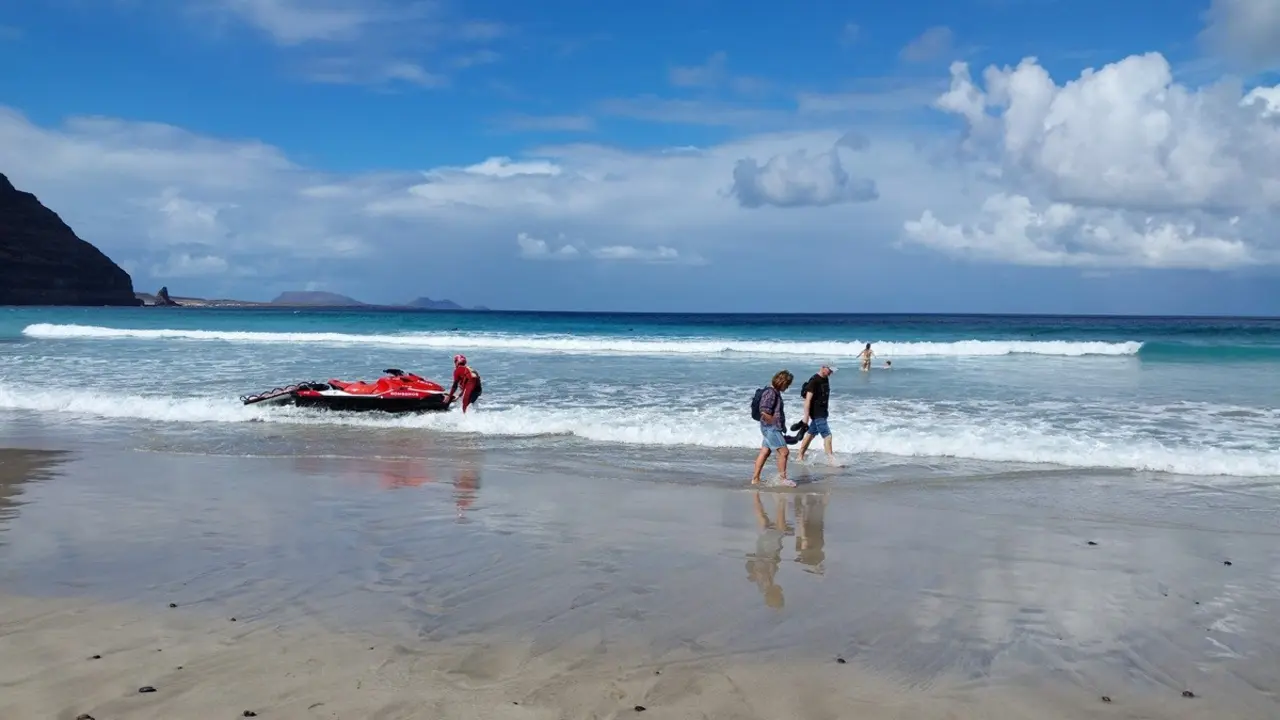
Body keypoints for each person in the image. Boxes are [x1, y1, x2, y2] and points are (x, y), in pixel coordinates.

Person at [751, 370, 796, 487]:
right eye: (787, 384)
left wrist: (782, 425)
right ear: (781, 382)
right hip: (771, 428)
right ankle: (783, 479)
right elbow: (764, 410)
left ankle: (755, 479)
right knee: (784, 452)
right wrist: (774, 423)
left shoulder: (775, 392)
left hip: (769, 427)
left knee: (765, 452)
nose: (787, 387)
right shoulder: (771, 393)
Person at [797, 364, 836, 463]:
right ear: (823, 367)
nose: (831, 373)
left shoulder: (825, 378)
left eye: (832, 371)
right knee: (827, 435)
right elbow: (807, 400)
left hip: (823, 412)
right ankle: (831, 461)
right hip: (817, 413)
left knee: (811, 434)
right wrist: (806, 417)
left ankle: (800, 456)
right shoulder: (814, 381)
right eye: (829, 370)